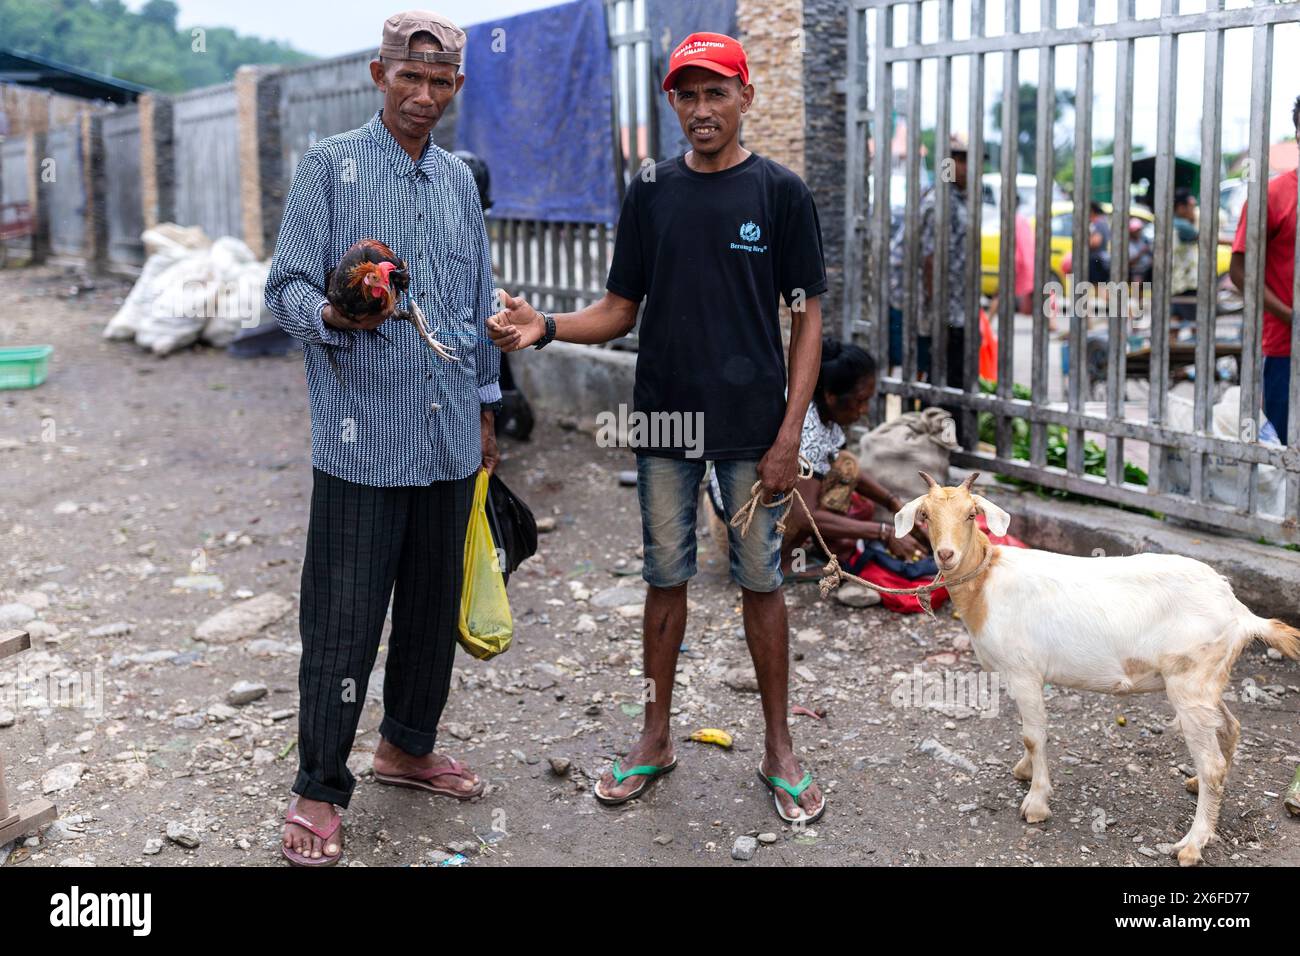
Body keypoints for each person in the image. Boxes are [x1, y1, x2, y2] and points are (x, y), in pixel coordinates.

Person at [488, 32, 830, 824]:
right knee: (664, 578)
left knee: (762, 582)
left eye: (717, 92)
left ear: (746, 96)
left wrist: (789, 436)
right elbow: (619, 309)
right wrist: (545, 329)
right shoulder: (650, 191)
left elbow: (808, 318)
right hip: (668, 419)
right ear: (671, 102)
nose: (702, 109)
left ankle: (780, 746)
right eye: (687, 94)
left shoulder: (780, 193)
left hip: (753, 427)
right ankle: (655, 735)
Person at [263, 10, 500, 866]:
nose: (424, 96)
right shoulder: (331, 166)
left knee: (432, 609)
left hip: (444, 444)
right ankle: (318, 786)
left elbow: (477, 301)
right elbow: (282, 286)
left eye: (440, 83)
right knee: (342, 620)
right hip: (363, 447)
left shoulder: (458, 183)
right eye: (410, 78)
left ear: (457, 88)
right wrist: (335, 310)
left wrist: (484, 409)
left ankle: (405, 745)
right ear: (378, 75)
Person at [1230, 94, 1298, 445]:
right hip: (1287, 348)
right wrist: (1290, 316)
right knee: (1290, 450)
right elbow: (1240, 271)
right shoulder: (1272, 196)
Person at [1170, 187, 1200, 325]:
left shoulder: (1171, 223)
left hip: (1175, 282)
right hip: (1185, 283)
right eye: (1191, 208)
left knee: (1175, 320)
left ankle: (1170, 346)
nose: (1193, 211)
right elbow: (1205, 238)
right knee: (1196, 322)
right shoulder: (1182, 225)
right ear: (1181, 208)